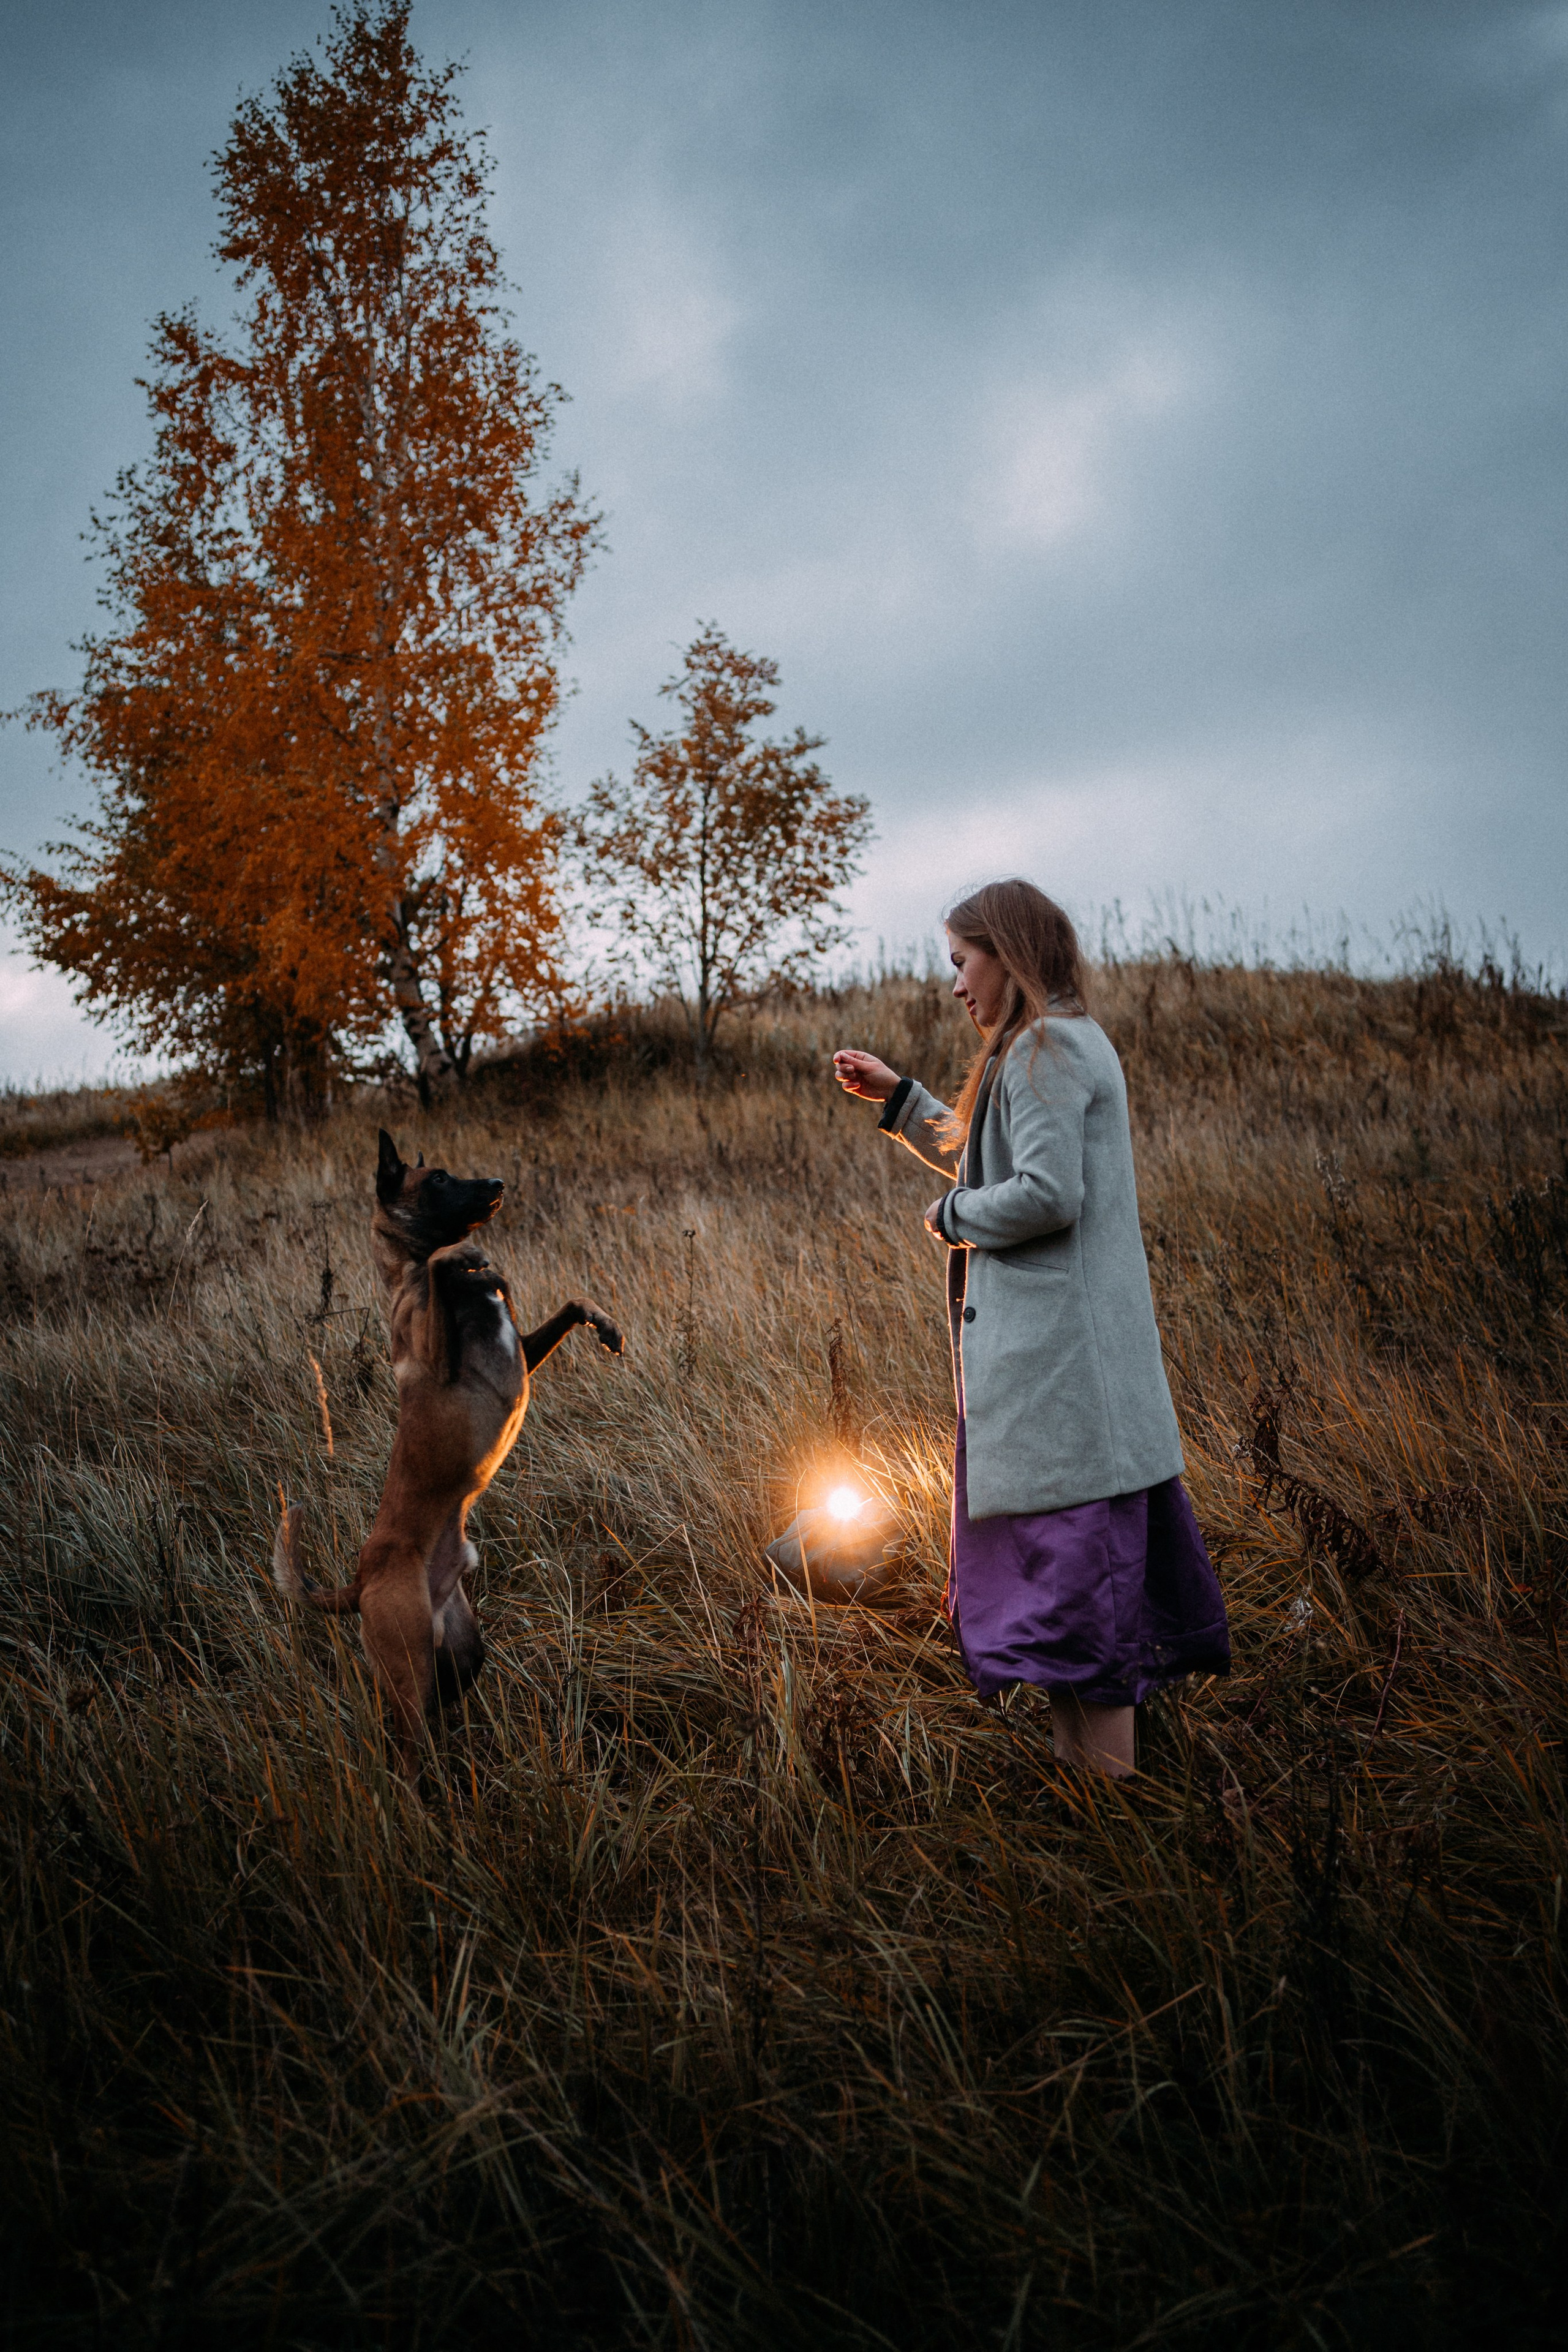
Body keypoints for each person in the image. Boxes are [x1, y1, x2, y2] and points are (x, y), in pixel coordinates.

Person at [832, 878, 1229, 1777]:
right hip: (1060, 1399)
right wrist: (902, 1101)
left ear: (1007, 954)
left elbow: (1047, 1195)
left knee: (1086, 1614)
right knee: (1070, 1620)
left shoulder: (1046, 1047)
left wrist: (951, 1216)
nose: (956, 983)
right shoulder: (1046, 1046)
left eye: (962, 962)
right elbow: (993, 1151)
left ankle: (1114, 1833)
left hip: (1066, 1395)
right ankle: (1092, 1813)